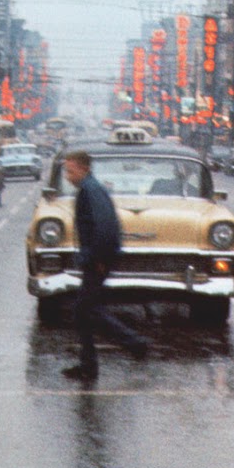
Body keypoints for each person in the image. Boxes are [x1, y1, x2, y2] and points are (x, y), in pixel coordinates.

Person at [60, 148, 148, 381]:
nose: (68, 176)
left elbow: (106, 225)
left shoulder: (91, 190)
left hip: (98, 258)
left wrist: (98, 258)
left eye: (71, 171)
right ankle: (90, 364)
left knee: (85, 309)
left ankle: (134, 344)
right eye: (66, 171)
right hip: (95, 257)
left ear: (84, 168)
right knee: (84, 310)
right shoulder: (88, 189)